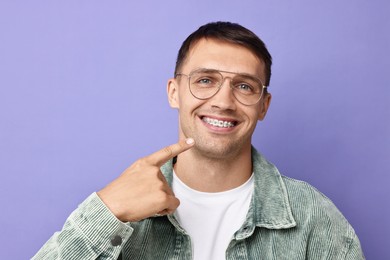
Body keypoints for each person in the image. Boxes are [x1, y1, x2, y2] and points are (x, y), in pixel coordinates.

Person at [33, 21, 365, 260]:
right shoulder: (122, 210)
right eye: (205, 80)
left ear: (263, 106)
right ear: (173, 92)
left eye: (245, 86)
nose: (223, 101)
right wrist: (106, 211)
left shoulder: (312, 217)